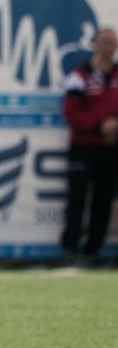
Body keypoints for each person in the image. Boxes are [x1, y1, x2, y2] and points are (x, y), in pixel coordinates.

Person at [61, 26, 118, 266]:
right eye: (104, 42)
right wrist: (98, 127)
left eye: (112, 42)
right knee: (77, 200)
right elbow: (71, 112)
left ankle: (92, 252)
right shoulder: (80, 74)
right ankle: (70, 250)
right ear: (95, 44)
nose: (108, 46)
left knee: (103, 202)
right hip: (83, 147)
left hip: (112, 149)